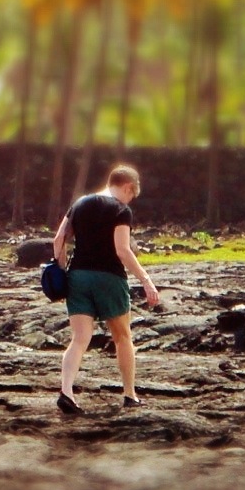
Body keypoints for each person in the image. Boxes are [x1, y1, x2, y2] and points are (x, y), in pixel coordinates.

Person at [51, 163, 160, 413]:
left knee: (79, 339)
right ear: (128, 187)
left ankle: (66, 391)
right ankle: (129, 394)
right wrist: (145, 279)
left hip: (77, 276)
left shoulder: (79, 204)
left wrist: (60, 271)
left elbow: (59, 240)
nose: (131, 199)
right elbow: (122, 250)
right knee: (123, 337)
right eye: (132, 194)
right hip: (109, 278)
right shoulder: (121, 210)